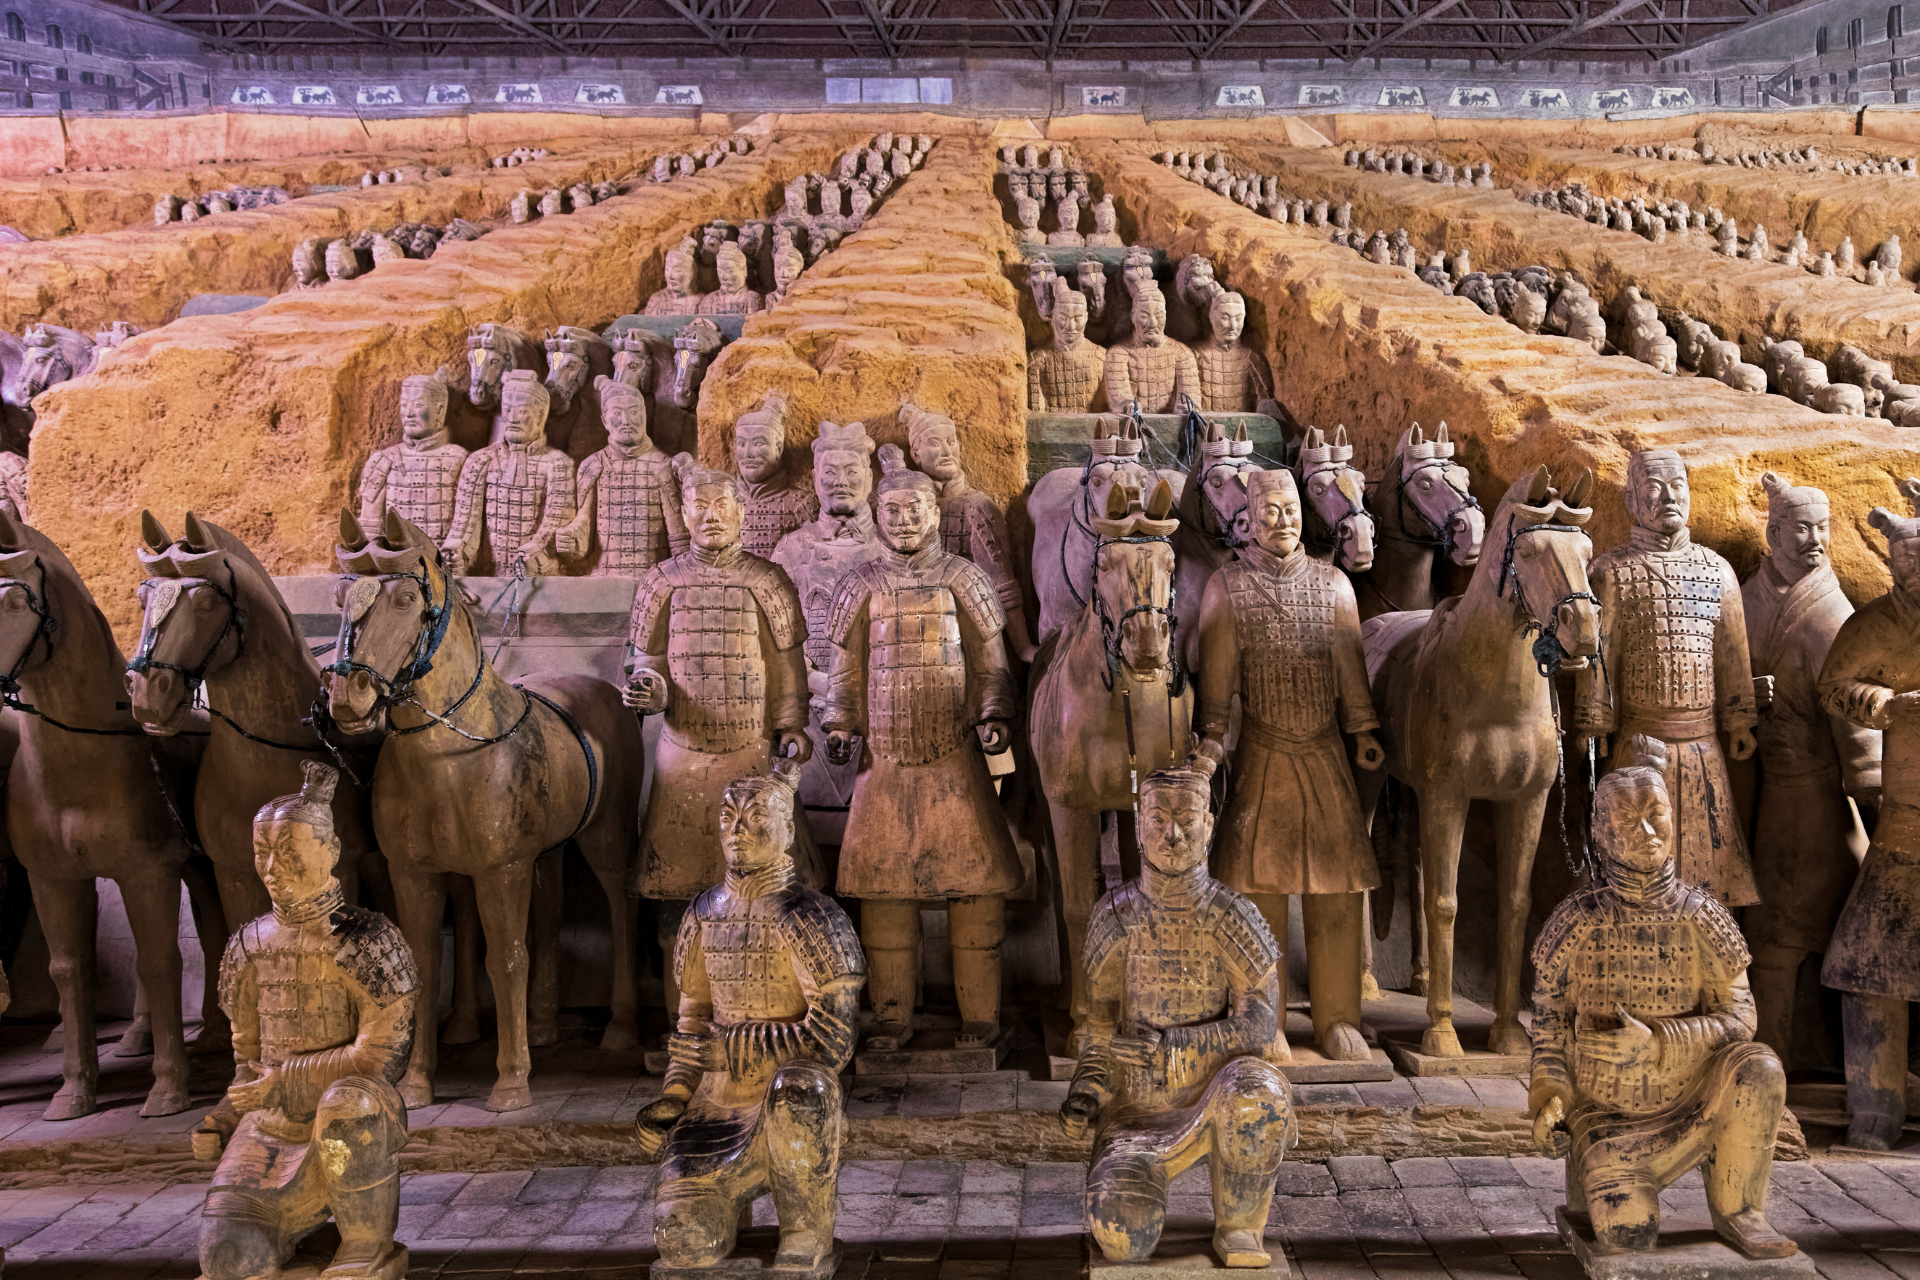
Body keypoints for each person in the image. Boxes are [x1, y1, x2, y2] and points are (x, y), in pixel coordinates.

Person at [1529, 761, 1796, 1260]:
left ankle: (1741, 1209)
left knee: (1759, 1067)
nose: (1648, 832)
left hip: (1701, 1104)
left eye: (1657, 814)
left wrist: (1659, 1041)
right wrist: (1551, 1099)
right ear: (1601, 834)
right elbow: (1548, 1028)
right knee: (1630, 1235)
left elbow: (1741, 1019)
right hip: (1611, 1122)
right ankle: (1608, 1186)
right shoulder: (1575, 923)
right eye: (1628, 821)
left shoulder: (1702, 915)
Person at [1060, 756, 1294, 1269]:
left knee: (1260, 1094)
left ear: (1208, 827)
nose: (1173, 836)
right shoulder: (1115, 916)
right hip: (1139, 1111)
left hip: (1216, 1097)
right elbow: (1099, 1032)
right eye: (1158, 821)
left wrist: (1175, 1047)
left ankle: (1239, 1227)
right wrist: (1086, 1091)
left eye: (1187, 822)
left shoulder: (1233, 916)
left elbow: (1260, 1023)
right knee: (1123, 1238)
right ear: (1139, 828)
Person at [823, 453, 1021, 1053]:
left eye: (914, 509)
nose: (903, 519)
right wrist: (838, 725)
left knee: (975, 893)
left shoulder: (965, 578)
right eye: (891, 510)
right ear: (876, 516)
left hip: (954, 763)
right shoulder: (858, 585)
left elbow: (992, 668)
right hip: (882, 762)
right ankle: (889, 1018)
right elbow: (844, 674)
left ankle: (980, 1019)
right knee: (885, 896)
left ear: (936, 513)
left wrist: (993, 717)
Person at [635, 763, 864, 1276]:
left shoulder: (812, 916)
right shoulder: (702, 914)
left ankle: (806, 1228)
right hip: (715, 1112)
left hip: (787, 1109)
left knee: (801, 1087)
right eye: (728, 816)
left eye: (756, 816)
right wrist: (673, 1098)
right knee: (683, 1244)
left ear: (787, 832)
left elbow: (833, 1040)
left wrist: (733, 1048)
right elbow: (691, 1021)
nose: (737, 829)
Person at [192, 763, 417, 1280]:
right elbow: (247, 1065)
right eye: (262, 853)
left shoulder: (366, 939)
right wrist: (224, 1116)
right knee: (227, 1262)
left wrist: (282, 1082)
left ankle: (365, 1244)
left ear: (331, 851)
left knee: (347, 1103)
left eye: (290, 852)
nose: (273, 867)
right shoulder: (248, 945)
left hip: (345, 1123)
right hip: (267, 1137)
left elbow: (382, 1059)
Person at [1197, 467, 1382, 1062]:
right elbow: (1217, 691)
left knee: (1337, 887)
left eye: (1292, 508)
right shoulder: (1227, 587)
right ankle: (1264, 1019)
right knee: (1259, 890)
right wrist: (1209, 743)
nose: (1284, 520)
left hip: (1325, 754)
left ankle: (1336, 1019)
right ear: (1248, 518)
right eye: (1271, 510)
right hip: (1263, 755)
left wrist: (1362, 730)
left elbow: (1352, 674)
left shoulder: (1335, 586)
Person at [1574, 449, 1760, 907]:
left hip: (1704, 750)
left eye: (1677, 485)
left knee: (1709, 879)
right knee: (1629, 876)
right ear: (1633, 501)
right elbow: (1601, 656)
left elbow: (1732, 654)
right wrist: (1594, 725)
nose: (1668, 497)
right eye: (1654, 488)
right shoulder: (1610, 571)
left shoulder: (1717, 571)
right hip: (1636, 745)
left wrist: (1739, 719)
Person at [1738, 472, 1879, 1058]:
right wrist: (1745, 696)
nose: (1815, 539)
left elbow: (1857, 718)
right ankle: (1771, 1056)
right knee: (1771, 929)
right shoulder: (1750, 594)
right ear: (1773, 533)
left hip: (1819, 800)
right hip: (1764, 791)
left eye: (1822, 528)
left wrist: (1873, 787)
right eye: (1802, 528)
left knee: (1828, 929)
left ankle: (1822, 1058)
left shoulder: (1830, 611)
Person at [1817, 489, 1920, 1152]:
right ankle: (1876, 1109)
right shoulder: (1877, 623)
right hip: (1905, 823)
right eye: (1907, 568)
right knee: (1865, 960)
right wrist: (1876, 700)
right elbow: (1833, 684)